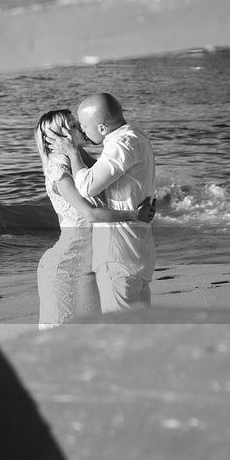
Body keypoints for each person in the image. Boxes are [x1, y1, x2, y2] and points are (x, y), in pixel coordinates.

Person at [34, 109, 153, 328]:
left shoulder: (81, 160)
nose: (80, 126)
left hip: (95, 259)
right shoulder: (59, 172)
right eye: (72, 125)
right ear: (59, 136)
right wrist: (134, 215)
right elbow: (90, 213)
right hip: (70, 262)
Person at [56, 93, 157, 312]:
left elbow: (86, 186)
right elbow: (105, 170)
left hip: (119, 252)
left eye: (84, 126)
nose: (82, 131)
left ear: (102, 128)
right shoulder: (137, 136)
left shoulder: (121, 145)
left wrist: (73, 152)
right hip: (140, 251)